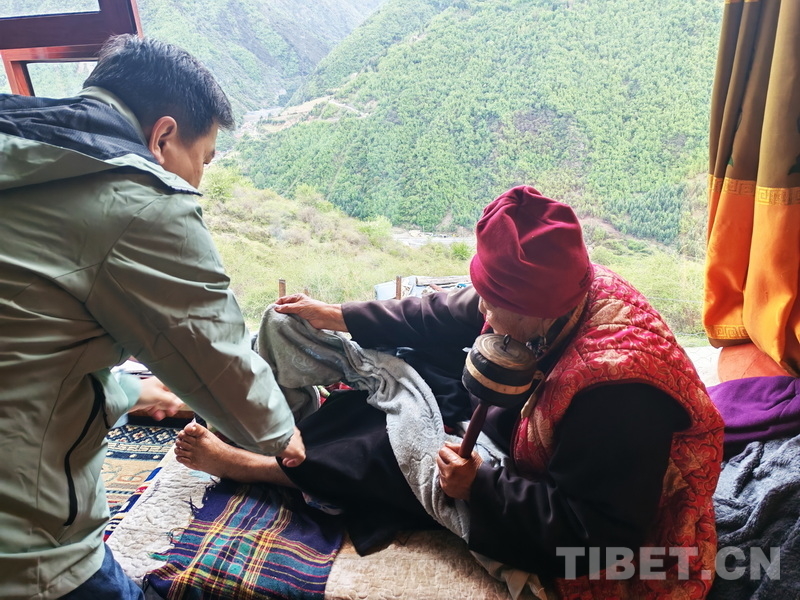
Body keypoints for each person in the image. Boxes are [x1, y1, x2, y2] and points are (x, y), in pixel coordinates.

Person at [175, 186, 724, 599]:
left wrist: (481, 487)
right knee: (416, 361)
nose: (483, 312)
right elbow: (449, 312)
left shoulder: (616, 394)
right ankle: (303, 420)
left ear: (535, 310)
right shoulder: (561, 285)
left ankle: (264, 468)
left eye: (494, 304)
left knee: (399, 453)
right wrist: (339, 315)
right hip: (533, 427)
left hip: (586, 524)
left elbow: (598, 538)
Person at [0, 35, 304, 600]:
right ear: (163, 137)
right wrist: (286, 437)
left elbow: (23, 340)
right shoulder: (141, 199)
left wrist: (130, 392)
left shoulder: (21, 143)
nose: (199, 179)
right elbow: (221, 364)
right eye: (203, 159)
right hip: (23, 549)